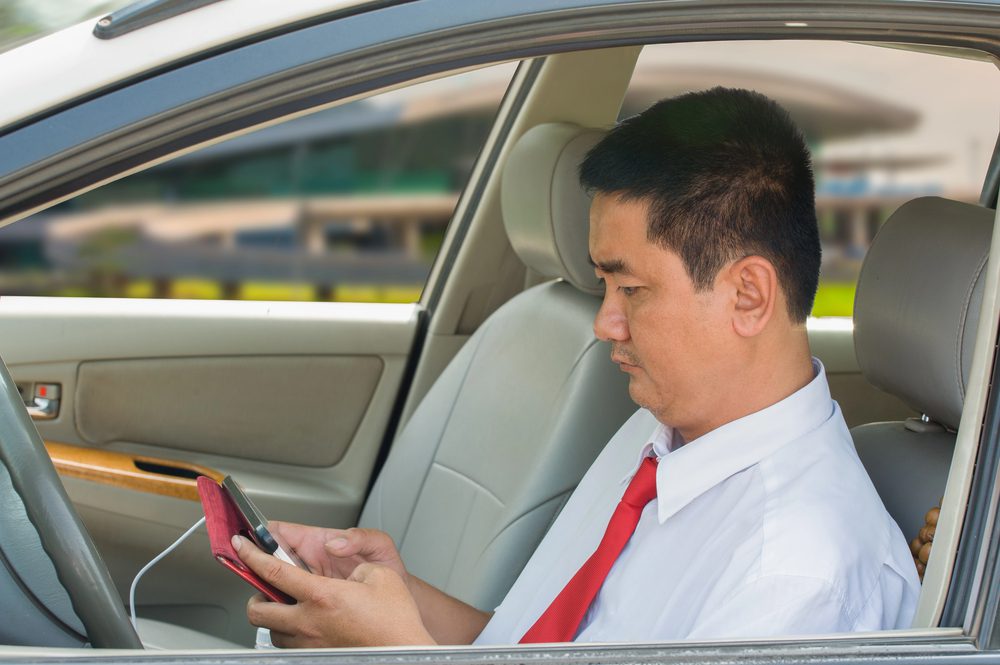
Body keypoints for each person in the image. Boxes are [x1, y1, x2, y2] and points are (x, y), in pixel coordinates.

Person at [231, 87, 920, 647]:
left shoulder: (797, 577)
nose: (605, 323)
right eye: (604, 287)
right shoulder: (659, 439)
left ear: (748, 295)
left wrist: (398, 652)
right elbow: (525, 643)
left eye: (633, 289)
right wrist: (391, 600)